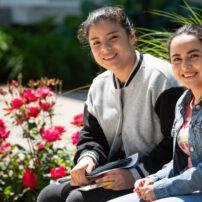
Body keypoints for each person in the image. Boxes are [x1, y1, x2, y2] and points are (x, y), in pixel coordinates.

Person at [37, 6, 184, 202]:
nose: (105, 48)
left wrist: (136, 174)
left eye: (113, 37)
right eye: (95, 42)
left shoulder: (162, 79)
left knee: (78, 200)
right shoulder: (99, 85)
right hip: (111, 173)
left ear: (131, 36)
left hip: (155, 174)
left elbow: (178, 142)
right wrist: (87, 158)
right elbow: (92, 136)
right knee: (48, 196)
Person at [110, 24, 202, 202]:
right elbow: (182, 162)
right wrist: (154, 179)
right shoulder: (184, 101)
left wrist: (162, 189)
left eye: (194, 56)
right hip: (193, 191)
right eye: (177, 59)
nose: (185, 66)